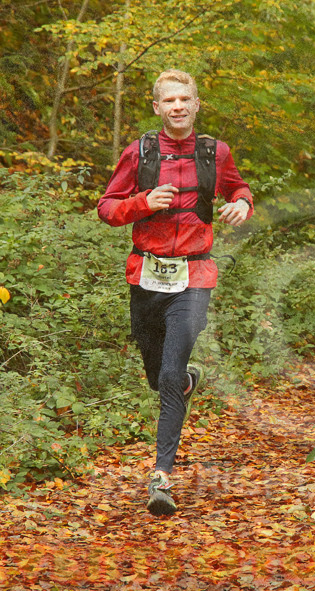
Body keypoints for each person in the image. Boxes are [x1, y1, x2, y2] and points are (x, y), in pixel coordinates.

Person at [97, 69, 253, 516]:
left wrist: (241, 202)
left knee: (167, 376)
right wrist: (142, 203)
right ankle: (185, 382)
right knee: (158, 376)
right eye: (169, 101)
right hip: (147, 278)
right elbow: (107, 208)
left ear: (197, 104)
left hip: (194, 278)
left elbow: (239, 187)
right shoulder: (140, 152)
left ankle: (161, 477)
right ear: (157, 108)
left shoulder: (214, 152)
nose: (178, 106)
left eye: (185, 99)